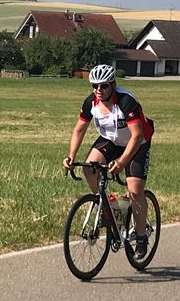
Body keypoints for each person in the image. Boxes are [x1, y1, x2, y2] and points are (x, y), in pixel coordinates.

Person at [63, 63, 153, 256]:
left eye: (103, 86)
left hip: (137, 142)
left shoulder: (126, 101)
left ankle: (141, 237)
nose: (99, 90)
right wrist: (71, 156)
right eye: (94, 86)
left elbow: (137, 136)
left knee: (135, 191)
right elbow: (79, 130)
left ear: (113, 85)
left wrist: (121, 163)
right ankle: (109, 207)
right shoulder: (91, 103)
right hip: (111, 139)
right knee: (89, 168)